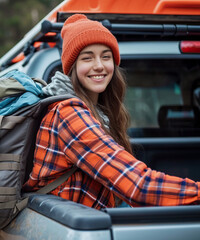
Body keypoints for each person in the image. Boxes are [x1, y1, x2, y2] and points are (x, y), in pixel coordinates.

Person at [23, 14, 200, 209]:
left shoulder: (97, 113)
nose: (99, 65)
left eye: (106, 56)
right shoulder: (69, 114)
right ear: (72, 67)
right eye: (87, 58)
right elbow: (138, 187)